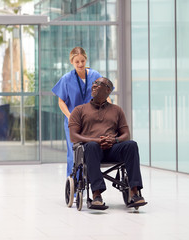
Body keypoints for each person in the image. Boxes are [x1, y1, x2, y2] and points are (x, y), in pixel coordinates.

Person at [68, 77, 147, 207]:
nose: (94, 85)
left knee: (131, 145)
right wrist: (97, 140)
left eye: (98, 84)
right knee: (92, 146)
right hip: (91, 150)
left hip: (112, 149)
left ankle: (134, 192)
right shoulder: (79, 110)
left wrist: (114, 140)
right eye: (93, 83)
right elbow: (74, 136)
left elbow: (126, 134)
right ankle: (96, 195)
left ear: (108, 90)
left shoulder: (117, 110)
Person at [52, 47, 102, 177]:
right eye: (77, 62)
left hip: (93, 121)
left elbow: (104, 95)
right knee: (75, 153)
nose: (80, 64)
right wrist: (70, 117)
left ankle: (93, 184)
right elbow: (61, 102)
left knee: (92, 150)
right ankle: (75, 187)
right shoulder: (66, 79)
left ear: (86, 60)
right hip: (74, 122)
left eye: (82, 61)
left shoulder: (95, 76)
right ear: (71, 62)